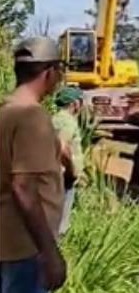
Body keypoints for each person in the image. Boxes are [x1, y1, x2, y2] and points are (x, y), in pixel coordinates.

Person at [0, 38, 67, 293]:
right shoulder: (32, 117)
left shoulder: (4, 112)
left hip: (4, 240)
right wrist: (49, 252)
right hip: (23, 245)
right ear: (50, 73)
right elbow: (23, 187)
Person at [52, 87, 84, 236]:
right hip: (64, 178)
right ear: (75, 103)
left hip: (52, 176)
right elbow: (63, 146)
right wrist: (71, 171)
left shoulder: (54, 119)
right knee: (60, 226)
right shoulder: (68, 122)